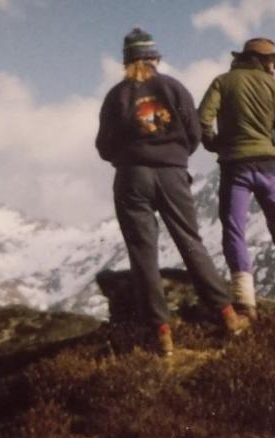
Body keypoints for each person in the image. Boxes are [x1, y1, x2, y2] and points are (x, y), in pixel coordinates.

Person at [96, 28, 249, 356]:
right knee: (190, 242)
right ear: (155, 58)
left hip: (131, 177)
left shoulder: (116, 96)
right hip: (173, 175)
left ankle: (162, 333)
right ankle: (227, 315)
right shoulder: (174, 88)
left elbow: (103, 146)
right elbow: (193, 133)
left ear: (126, 61)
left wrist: (129, 158)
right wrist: (174, 156)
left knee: (142, 252)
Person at [198, 37, 275, 319]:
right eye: (272, 63)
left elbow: (202, 120)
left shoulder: (222, 82)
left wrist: (215, 144)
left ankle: (244, 303)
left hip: (235, 168)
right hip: (268, 168)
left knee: (234, 230)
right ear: (261, 61)